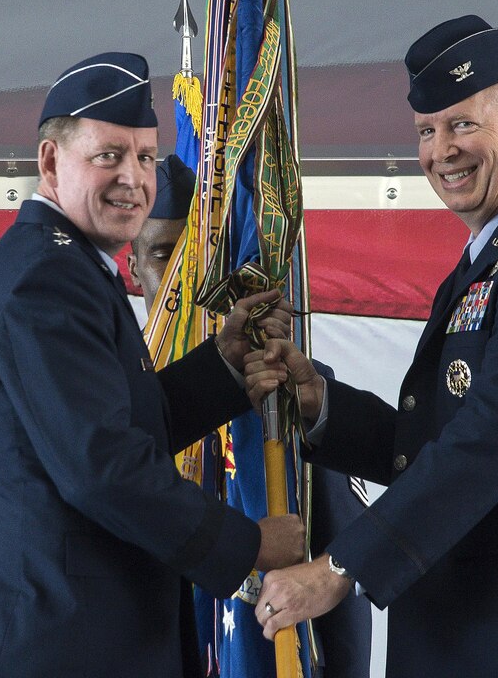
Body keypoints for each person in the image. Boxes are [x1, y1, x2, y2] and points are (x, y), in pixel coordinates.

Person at [244, 15, 498, 677]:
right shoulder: (495, 258)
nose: (441, 151)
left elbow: (490, 444)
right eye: (426, 132)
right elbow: (438, 442)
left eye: (462, 124)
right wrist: (321, 404)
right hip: (466, 634)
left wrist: (340, 567)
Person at [0, 52, 305, 678]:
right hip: (61, 646)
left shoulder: (69, 265)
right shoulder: (44, 281)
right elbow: (101, 466)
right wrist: (247, 544)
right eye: (108, 154)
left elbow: (113, 417)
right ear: (51, 162)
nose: (133, 177)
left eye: (144, 155)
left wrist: (224, 368)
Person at [128, 155, 373, 677]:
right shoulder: (112, 394)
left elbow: (338, 563)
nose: (178, 280)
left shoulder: (286, 388)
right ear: (132, 265)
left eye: (191, 261)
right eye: (161, 257)